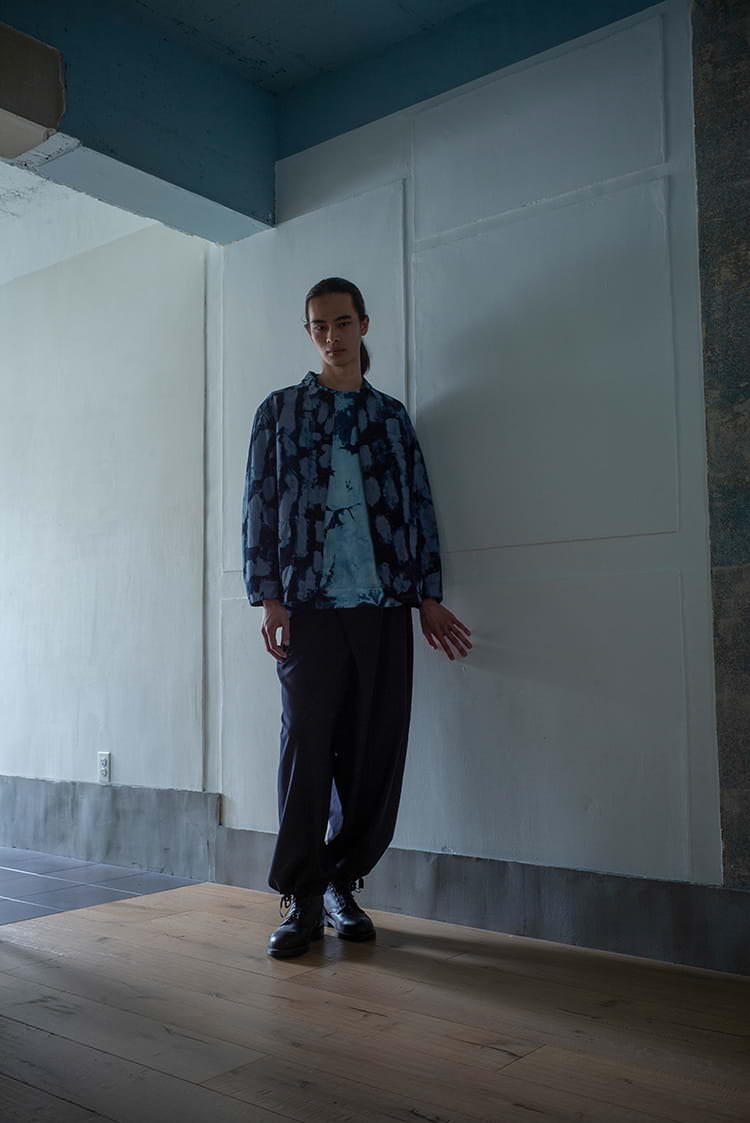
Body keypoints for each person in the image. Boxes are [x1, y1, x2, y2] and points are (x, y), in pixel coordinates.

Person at [241, 276, 472, 958]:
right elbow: (259, 504)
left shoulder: (391, 419)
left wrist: (426, 593)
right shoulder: (279, 412)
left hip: (383, 607)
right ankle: (302, 895)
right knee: (306, 747)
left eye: (342, 322)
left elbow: (418, 504)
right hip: (308, 606)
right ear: (309, 332)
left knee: (375, 751)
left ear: (363, 324)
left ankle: (342, 880)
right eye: (319, 325)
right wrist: (269, 595)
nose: (332, 336)